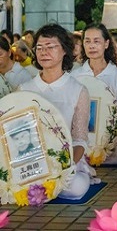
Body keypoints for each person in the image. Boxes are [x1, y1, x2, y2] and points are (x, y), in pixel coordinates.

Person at [19, 23, 96, 200]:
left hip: (65, 161)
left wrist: (67, 166)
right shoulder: (24, 90)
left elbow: (79, 139)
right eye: (39, 47)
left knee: (76, 187)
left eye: (51, 47)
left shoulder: (78, 90)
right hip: (31, 163)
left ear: (64, 51)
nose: (44, 52)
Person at [72, 23, 117, 165]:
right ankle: (84, 157)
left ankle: (90, 159)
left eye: (97, 41)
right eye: (87, 41)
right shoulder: (75, 76)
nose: (91, 46)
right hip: (79, 139)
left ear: (106, 44)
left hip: (107, 142)